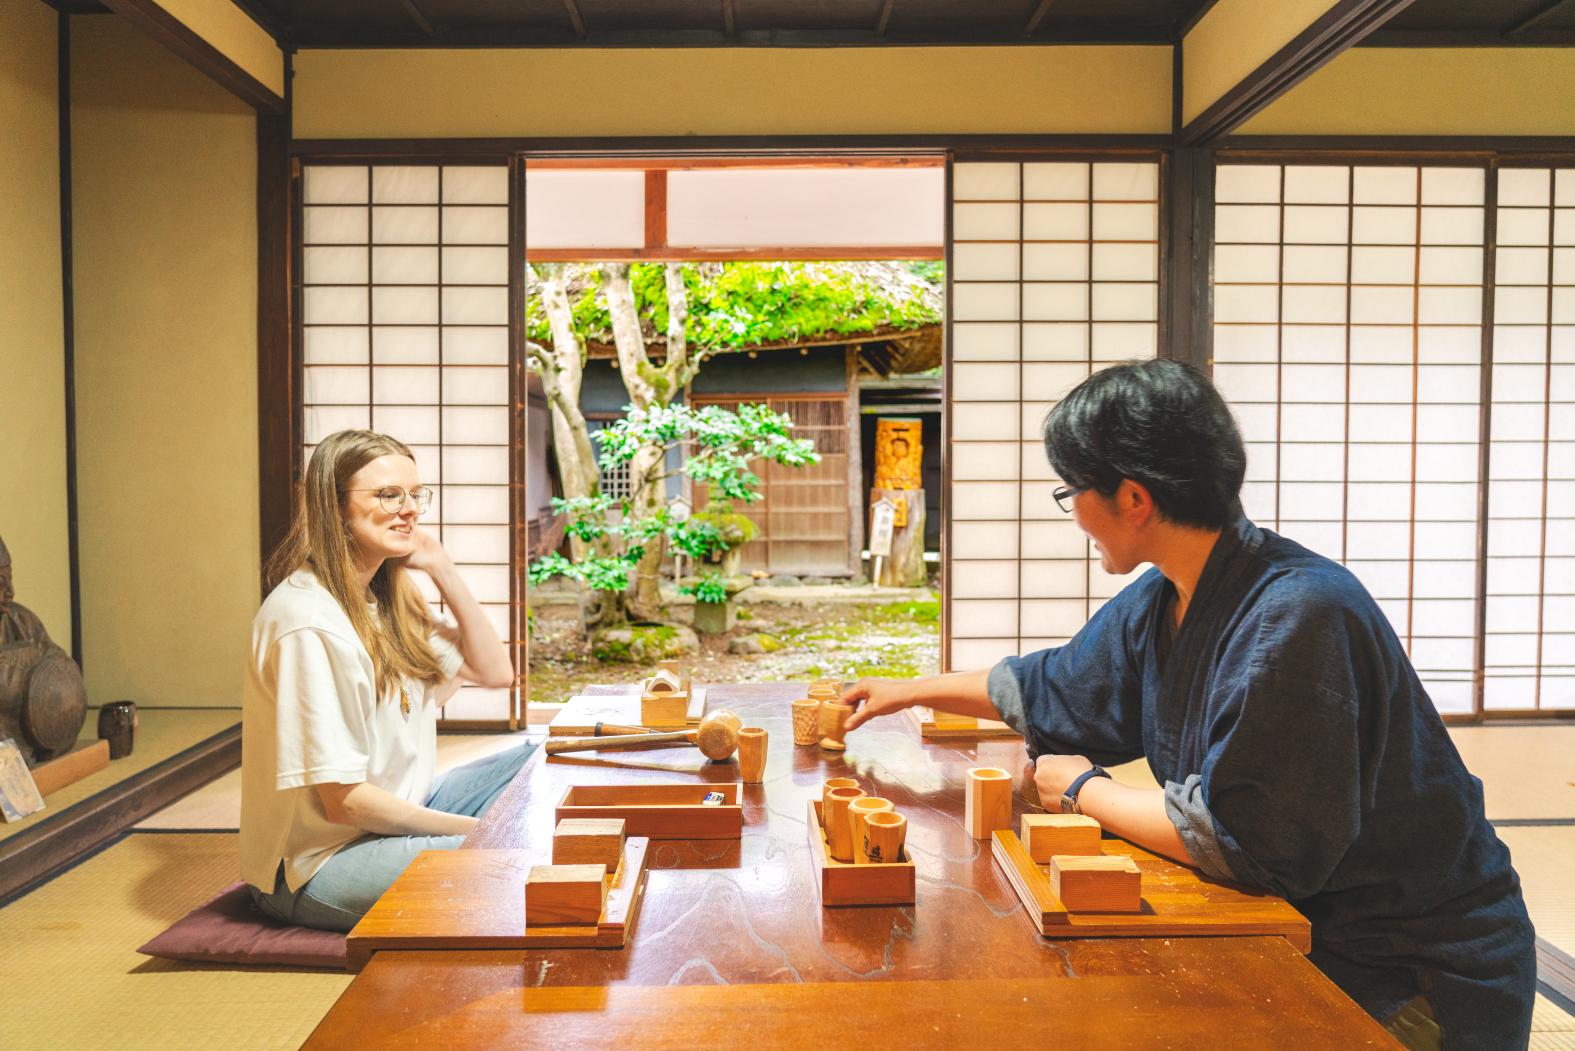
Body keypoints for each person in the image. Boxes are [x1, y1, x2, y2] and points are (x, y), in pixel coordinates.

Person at [845, 360, 1536, 1050]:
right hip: (1308, 930)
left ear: (1134, 498)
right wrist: (905, 690)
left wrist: (1083, 788)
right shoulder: (1168, 593)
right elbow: (1056, 683)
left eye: (1072, 491)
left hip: (1410, 969)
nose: (1073, 512)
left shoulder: (1298, 615)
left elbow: (1249, 842)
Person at [241, 430, 528, 932]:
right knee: (509, 851)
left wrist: (441, 567)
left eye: (416, 495)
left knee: (538, 758)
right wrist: (480, 829)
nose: (410, 509)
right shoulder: (308, 621)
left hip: (396, 816)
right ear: (334, 508)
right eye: (388, 495)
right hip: (321, 864)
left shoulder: (385, 599)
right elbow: (345, 802)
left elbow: (495, 672)